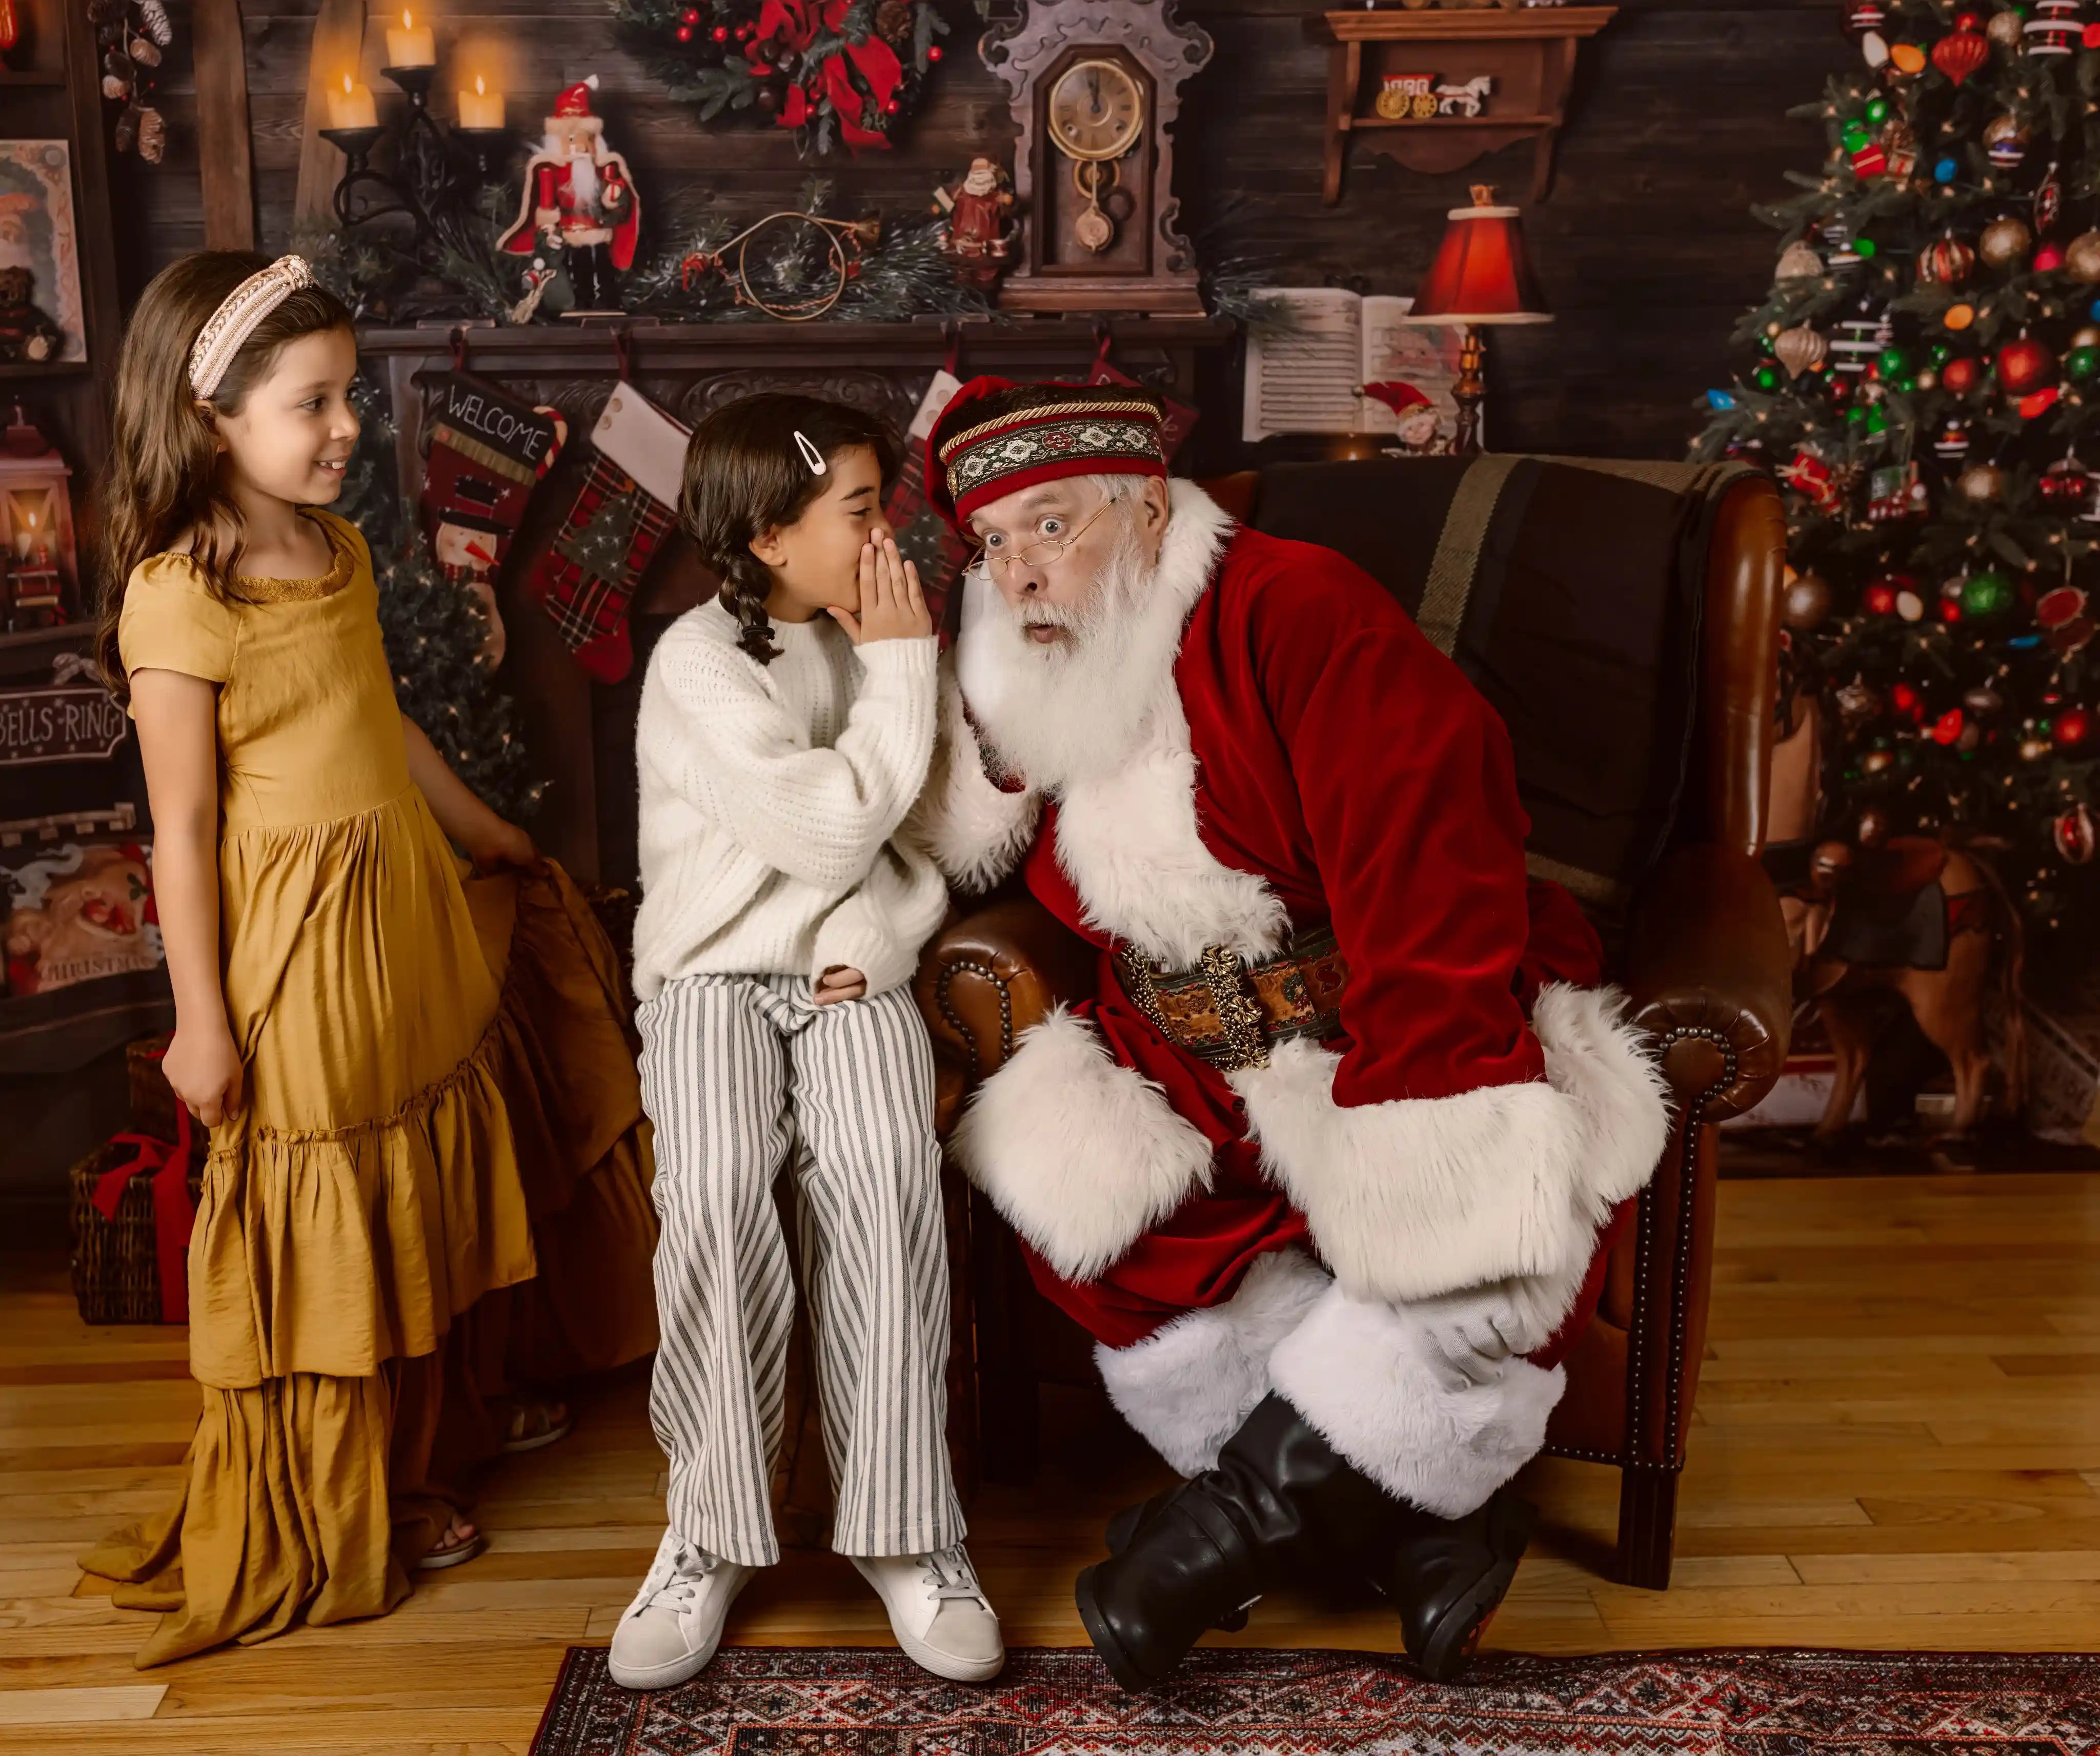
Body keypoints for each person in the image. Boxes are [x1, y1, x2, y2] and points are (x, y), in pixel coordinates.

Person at [909, 379, 1671, 1689]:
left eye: (1048, 526)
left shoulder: (1295, 609)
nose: (1019, 572)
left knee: (1460, 1259)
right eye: (993, 546)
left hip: (1378, 1014)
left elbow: (1426, 863)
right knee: (1116, 1249)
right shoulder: (1035, 663)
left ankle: (1215, 1539)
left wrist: (1417, 1115)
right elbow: (956, 826)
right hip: (1185, 1057)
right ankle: (1435, 1528)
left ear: (1145, 511)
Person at [77, 251, 660, 1665]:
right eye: (312, 403)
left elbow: (383, 722)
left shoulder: (332, 550)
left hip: (398, 898)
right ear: (212, 414)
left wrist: (487, 832)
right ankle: (373, 1487)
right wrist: (197, 1025)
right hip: (296, 945)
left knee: (429, 1165)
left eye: (350, 395)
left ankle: (445, 1417)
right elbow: (185, 824)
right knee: (339, 1187)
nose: (347, 428)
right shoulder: (179, 598)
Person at [614, 393, 1002, 1690]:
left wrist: (891, 938)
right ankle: (710, 1529)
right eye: (857, 508)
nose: (886, 531)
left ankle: (906, 1531)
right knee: (719, 1190)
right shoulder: (698, 667)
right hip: (713, 978)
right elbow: (833, 831)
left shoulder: (876, 639)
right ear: (771, 533)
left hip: (856, 971)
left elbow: (930, 834)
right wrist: (900, 670)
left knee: (887, 1174)